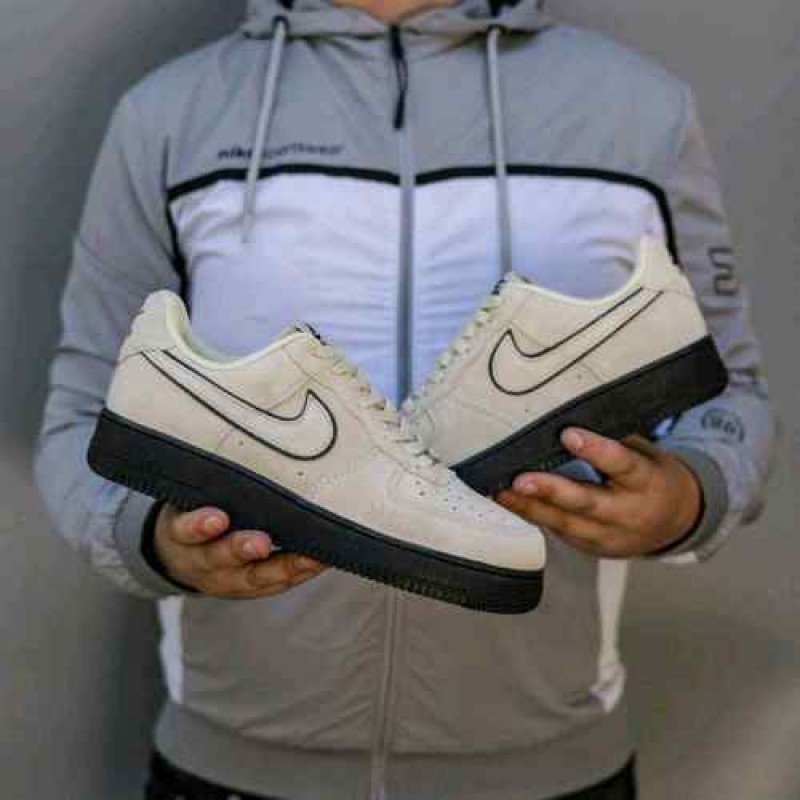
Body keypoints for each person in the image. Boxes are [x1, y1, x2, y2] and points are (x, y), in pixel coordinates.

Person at [34, 0, 774, 798]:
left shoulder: (638, 109)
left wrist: (687, 496)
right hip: (231, 765)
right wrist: (153, 537)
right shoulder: (170, 114)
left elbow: (728, 392)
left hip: (551, 765)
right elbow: (86, 414)